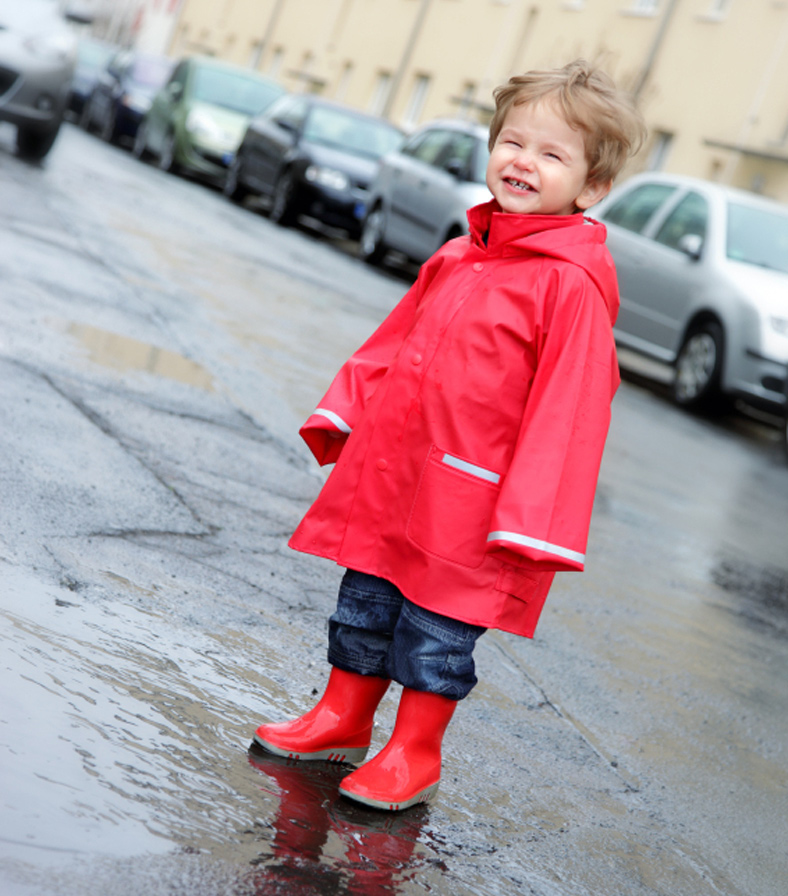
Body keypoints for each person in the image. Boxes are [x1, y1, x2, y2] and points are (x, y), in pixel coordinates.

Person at [252, 59, 646, 811]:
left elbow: (571, 411)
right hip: (395, 475)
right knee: (364, 603)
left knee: (436, 636)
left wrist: (533, 522)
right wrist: (346, 408)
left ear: (592, 188)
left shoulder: (569, 286)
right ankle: (342, 717)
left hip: (474, 503)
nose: (523, 162)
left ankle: (415, 752)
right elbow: (393, 344)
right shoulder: (461, 254)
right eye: (513, 142)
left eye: (552, 154)